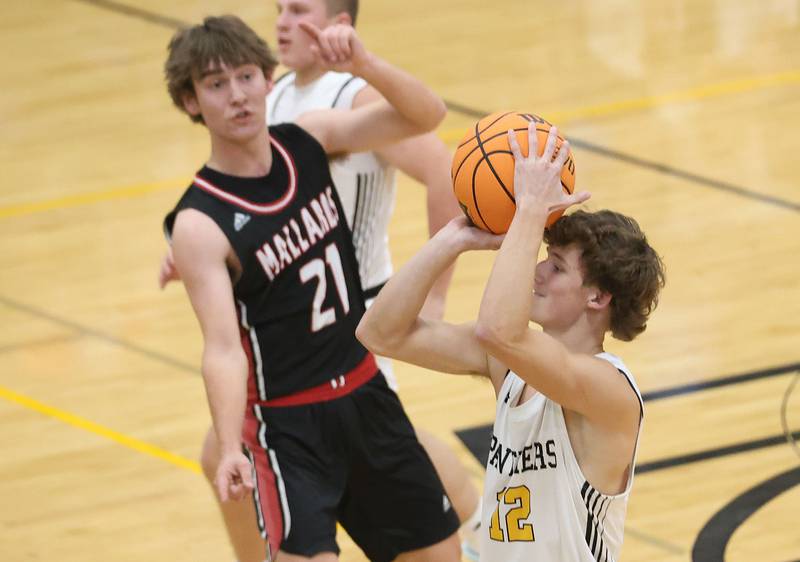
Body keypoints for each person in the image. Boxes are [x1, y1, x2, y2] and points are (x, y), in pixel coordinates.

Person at [160, 2, 480, 560]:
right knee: (219, 454)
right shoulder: (198, 223)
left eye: (245, 77)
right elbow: (222, 349)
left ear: (265, 78)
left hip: (363, 386)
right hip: (288, 425)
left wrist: (367, 65)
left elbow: (427, 116)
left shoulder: (310, 136)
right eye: (216, 84)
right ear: (191, 101)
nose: (237, 95)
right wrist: (232, 444)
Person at [357, 123, 666, 561]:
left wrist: (530, 213)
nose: (538, 271)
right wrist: (454, 238)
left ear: (597, 297)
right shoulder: (508, 363)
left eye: (556, 267)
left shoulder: (609, 391)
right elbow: (379, 332)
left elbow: (498, 331)